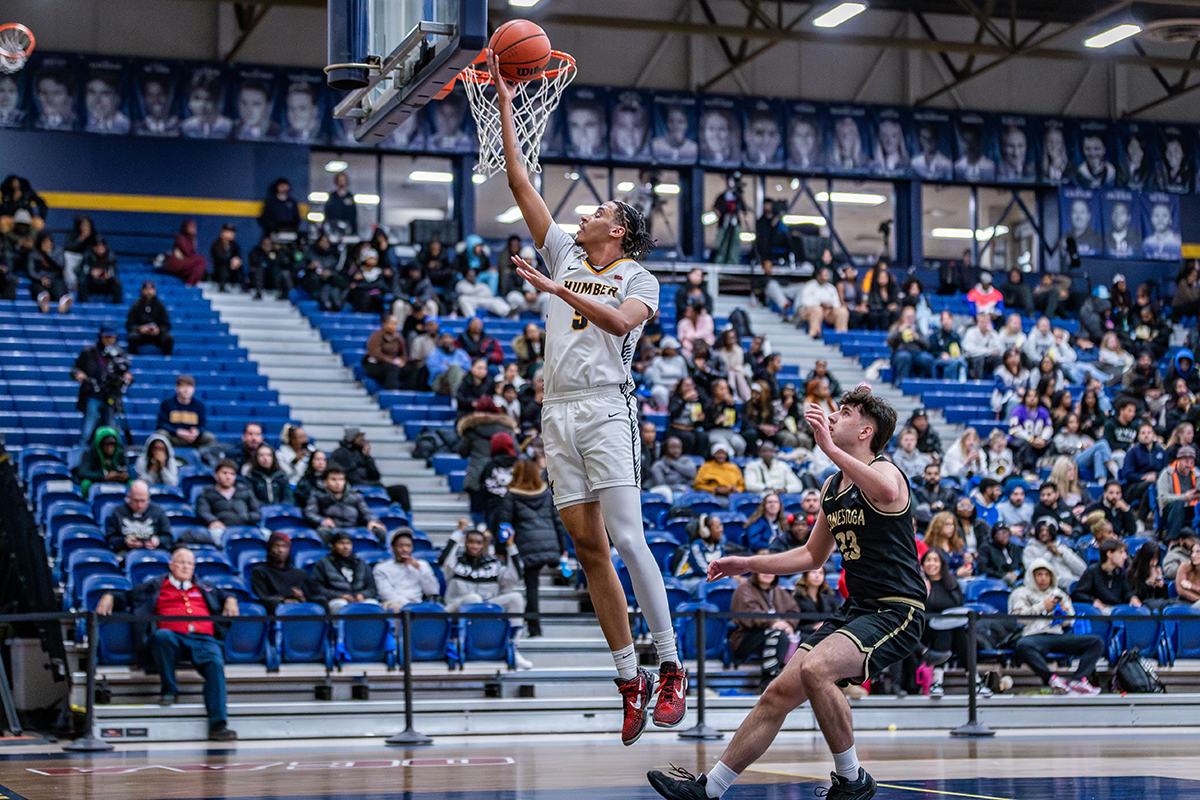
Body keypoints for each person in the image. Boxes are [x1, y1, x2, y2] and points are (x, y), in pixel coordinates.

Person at [490, 47, 683, 741]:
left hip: (607, 407)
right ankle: (628, 676)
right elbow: (519, 178)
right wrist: (507, 102)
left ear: (620, 230)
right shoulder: (566, 254)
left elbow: (621, 324)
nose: (584, 215)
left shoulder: (639, 279)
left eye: (598, 210)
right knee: (587, 547)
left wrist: (553, 289)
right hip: (557, 412)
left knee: (628, 538)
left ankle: (670, 666)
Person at [650, 388, 925, 800]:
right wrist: (747, 563)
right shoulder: (833, 486)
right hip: (857, 611)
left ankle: (853, 780)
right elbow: (811, 555)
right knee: (777, 693)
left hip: (897, 610)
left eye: (845, 412)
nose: (833, 416)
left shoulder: (888, 473)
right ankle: (710, 790)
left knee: (817, 670)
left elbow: (884, 494)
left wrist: (828, 447)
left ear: (866, 431)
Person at [95, 547, 239, 740]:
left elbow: (226, 596)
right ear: (171, 565)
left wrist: (231, 600)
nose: (186, 567)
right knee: (162, 636)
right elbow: (128, 597)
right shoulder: (155, 586)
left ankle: (218, 725)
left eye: (190, 563)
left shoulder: (205, 587)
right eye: (181, 562)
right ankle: (169, 690)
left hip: (203, 639)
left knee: (215, 664)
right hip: (173, 638)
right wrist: (109, 595)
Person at [439, 525, 532, 670]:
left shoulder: (493, 564)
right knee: (473, 599)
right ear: (465, 543)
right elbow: (443, 560)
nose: (474, 546)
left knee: (516, 598)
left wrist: (510, 545)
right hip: (456, 606)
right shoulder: (456, 563)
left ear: (483, 545)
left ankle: (512, 647)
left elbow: (516, 576)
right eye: (471, 542)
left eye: (478, 542)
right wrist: (459, 531)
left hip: (485, 605)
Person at [495, 459, 568, 637]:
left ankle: (534, 627)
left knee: (531, 585)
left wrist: (500, 549)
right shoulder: (546, 493)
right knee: (531, 585)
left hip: (526, 545)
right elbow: (558, 522)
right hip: (549, 543)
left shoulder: (511, 496)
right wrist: (562, 548)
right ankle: (531, 620)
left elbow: (503, 525)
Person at [1008, 559, 1104, 695]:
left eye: (1047, 575)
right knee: (1022, 644)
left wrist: (1065, 614)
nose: (1043, 578)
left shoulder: (1059, 593)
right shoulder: (1021, 593)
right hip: (1033, 636)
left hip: (1057, 635)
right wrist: (1042, 607)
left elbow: (1069, 622)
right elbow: (1019, 619)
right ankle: (1051, 679)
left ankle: (1078, 680)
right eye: (1039, 574)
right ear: (1032, 576)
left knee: (1096, 642)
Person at [730, 558, 800, 693]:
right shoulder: (744, 589)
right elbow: (750, 615)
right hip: (746, 637)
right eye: (763, 570)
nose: (768, 574)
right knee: (777, 634)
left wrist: (788, 624)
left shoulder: (778, 591)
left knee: (793, 635)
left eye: (771, 570)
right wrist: (774, 623)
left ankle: (792, 681)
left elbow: (794, 610)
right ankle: (767, 681)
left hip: (774, 635)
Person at [329, 427, 410, 511]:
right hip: (354, 489)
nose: (363, 440)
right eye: (359, 437)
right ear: (351, 438)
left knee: (401, 490)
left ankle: (407, 517)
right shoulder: (339, 454)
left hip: (374, 487)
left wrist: (367, 458)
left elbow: (376, 476)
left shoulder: (363, 454)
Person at [304, 467, 387, 544]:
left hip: (354, 527)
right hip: (332, 529)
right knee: (322, 531)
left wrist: (372, 521)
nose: (338, 483)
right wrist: (322, 520)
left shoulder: (354, 495)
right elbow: (310, 513)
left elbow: (366, 512)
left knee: (379, 530)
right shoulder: (317, 495)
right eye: (333, 479)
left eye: (341, 479)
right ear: (325, 482)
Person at [309, 531, 380, 612]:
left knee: (372, 604)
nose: (346, 547)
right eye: (341, 543)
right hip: (336, 599)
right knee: (340, 604)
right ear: (333, 546)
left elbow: (372, 588)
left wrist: (362, 595)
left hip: (359, 598)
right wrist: (340, 595)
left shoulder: (361, 564)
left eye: (348, 543)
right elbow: (318, 588)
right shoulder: (323, 564)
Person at [105, 480, 172, 555]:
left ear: (148, 497)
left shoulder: (158, 512)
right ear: (129, 497)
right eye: (136, 501)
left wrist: (157, 541)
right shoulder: (118, 512)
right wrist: (124, 541)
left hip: (153, 552)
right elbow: (110, 538)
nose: (140, 505)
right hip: (126, 552)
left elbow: (168, 537)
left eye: (143, 501)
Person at [250, 532, 310, 613]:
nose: (280, 550)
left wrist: (302, 597)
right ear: (270, 549)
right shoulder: (260, 572)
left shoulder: (300, 574)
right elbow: (263, 598)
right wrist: (284, 600)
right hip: (274, 611)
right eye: (276, 546)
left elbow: (310, 596)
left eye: (284, 546)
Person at [1071, 539, 1138, 612]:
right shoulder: (1093, 571)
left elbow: (1125, 593)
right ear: (1109, 553)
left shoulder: (1120, 572)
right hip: (1100, 612)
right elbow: (1077, 594)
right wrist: (1093, 601)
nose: (1125, 556)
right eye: (1121, 552)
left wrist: (1132, 597)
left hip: (1117, 610)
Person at [155, 375, 217, 450]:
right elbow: (161, 424)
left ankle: (205, 459)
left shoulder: (199, 405)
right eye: (183, 386)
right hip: (174, 437)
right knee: (161, 434)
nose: (186, 390)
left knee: (209, 437)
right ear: (177, 388)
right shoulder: (167, 403)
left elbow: (203, 426)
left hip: (193, 439)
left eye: (190, 387)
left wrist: (196, 431)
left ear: (194, 389)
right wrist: (177, 431)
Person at [1157, 444, 1200, 543]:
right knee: (1178, 505)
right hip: (1170, 509)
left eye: (1191, 461)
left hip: (1191, 508)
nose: (1188, 464)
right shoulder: (1166, 474)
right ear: (1179, 459)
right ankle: (1171, 540)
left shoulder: (1196, 473)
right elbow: (1163, 498)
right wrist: (1183, 497)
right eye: (1186, 460)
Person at [75, 426, 130, 498]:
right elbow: (83, 473)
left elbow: (126, 468)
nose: (109, 448)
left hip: (117, 482)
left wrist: (122, 475)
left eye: (112, 445)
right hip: (97, 482)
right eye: (106, 445)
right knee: (86, 484)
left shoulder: (120, 455)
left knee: (132, 483)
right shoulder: (89, 455)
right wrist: (104, 477)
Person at [124, 280, 174, 355]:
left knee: (168, 338)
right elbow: (129, 324)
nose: (149, 292)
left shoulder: (160, 306)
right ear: (142, 291)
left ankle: (167, 357)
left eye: (151, 289)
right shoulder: (136, 305)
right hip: (141, 334)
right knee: (132, 337)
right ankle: (133, 357)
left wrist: (158, 330)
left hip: (156, 335)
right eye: (147, 290)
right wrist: (140, 329)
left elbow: (166, 324)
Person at [798, 267, 849, 339]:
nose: (827, 276)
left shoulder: (831, 288)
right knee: (817, 310)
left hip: (828, 312)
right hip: (810, 311)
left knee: (842, 311)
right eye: (825, 275)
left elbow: (836, 303)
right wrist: (821, 304)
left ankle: (841, 336)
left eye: (828, 275)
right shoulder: (810, 286)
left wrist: (829, 307)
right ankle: (814, 334)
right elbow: (805, 302)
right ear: (818, 276)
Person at [887, 306, 934, 384]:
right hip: (901, 351)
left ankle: (928, 383)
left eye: (912, 317)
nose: (910, 319)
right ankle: (901, 383)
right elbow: (889, 341)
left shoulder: (917, 328)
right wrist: (900, 330)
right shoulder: (896, 327)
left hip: (916, 352)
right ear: (903, 316)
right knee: (905, 357)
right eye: (908, 317)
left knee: (927, 358)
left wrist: (917, 337)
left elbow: (927, 345)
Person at [649, 437, 699, 503]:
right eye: (673, 447)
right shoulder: (659, 465)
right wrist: (678, 488)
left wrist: (673, 463)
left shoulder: (686, 460)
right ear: (666, 448)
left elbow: (692, 474)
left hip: (689, 490)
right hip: (671, 492)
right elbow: (661, 484)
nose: (676, 450)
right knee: (678, 497)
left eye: (679, 447)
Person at [162, 219, 207, 287]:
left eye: (194, 227)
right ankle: (190, 284)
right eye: (191, 227)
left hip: (184, 264)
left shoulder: (192, 239)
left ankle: (192, 283)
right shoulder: (180, 238)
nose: (193, 229)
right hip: (175, 262)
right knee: (201, 260)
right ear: (185, 228)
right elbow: (187, 253)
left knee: (198, 266)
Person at [962, 314, 1004, 380]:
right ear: (978, 323)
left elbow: (1000, 349)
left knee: (998, 359)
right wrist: (989, 351)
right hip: (972, 358)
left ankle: (998, 381)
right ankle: (978, 382)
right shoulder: (971, 332)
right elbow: (970, 350)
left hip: (987, 359)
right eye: (982, 322)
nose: (985, 325)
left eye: (987, 322)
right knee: (979, 358)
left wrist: (992, 333)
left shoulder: (993, 333)